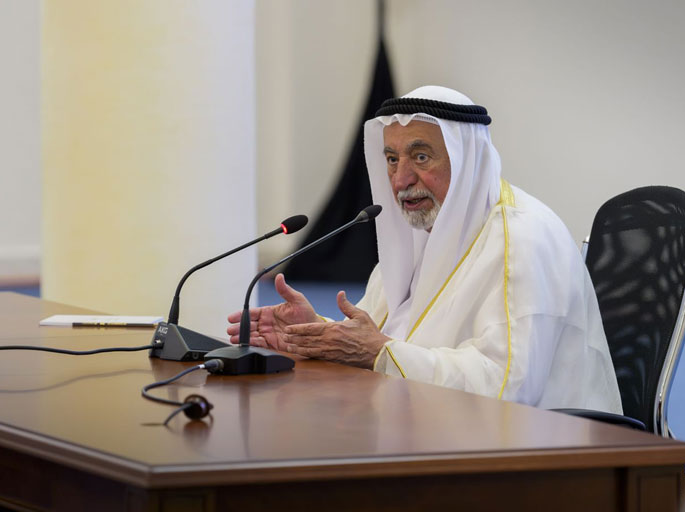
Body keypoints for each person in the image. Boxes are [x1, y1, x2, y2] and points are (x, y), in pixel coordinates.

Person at [227, 85, 622, 412]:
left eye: (420, 157)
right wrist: (316, 331)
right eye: (391, 159)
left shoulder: (523, 239)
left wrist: (378, 353)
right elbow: (380, 340)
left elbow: (506, 387)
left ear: (466, 160)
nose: (401, 179)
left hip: (546, 453)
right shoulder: (421, 237)